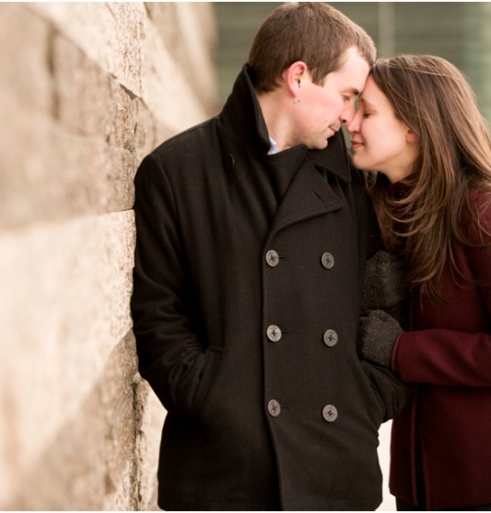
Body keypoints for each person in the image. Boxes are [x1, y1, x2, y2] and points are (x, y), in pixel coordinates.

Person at [131, 3, 409, 510]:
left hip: (332, 470)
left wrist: (363, 402)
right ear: (299, 77)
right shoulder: (174, 173)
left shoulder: (362, 185)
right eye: (347, 96)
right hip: (221, 471)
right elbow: (157, 319)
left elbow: (393, 306)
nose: (351, 117)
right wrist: (218, 402)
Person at [349, 54, 491, 511]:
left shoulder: (485, 211)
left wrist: (402, 350)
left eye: (367, 112)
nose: (350, 122)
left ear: (414, 126)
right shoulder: (393, 209)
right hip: (426, 479)